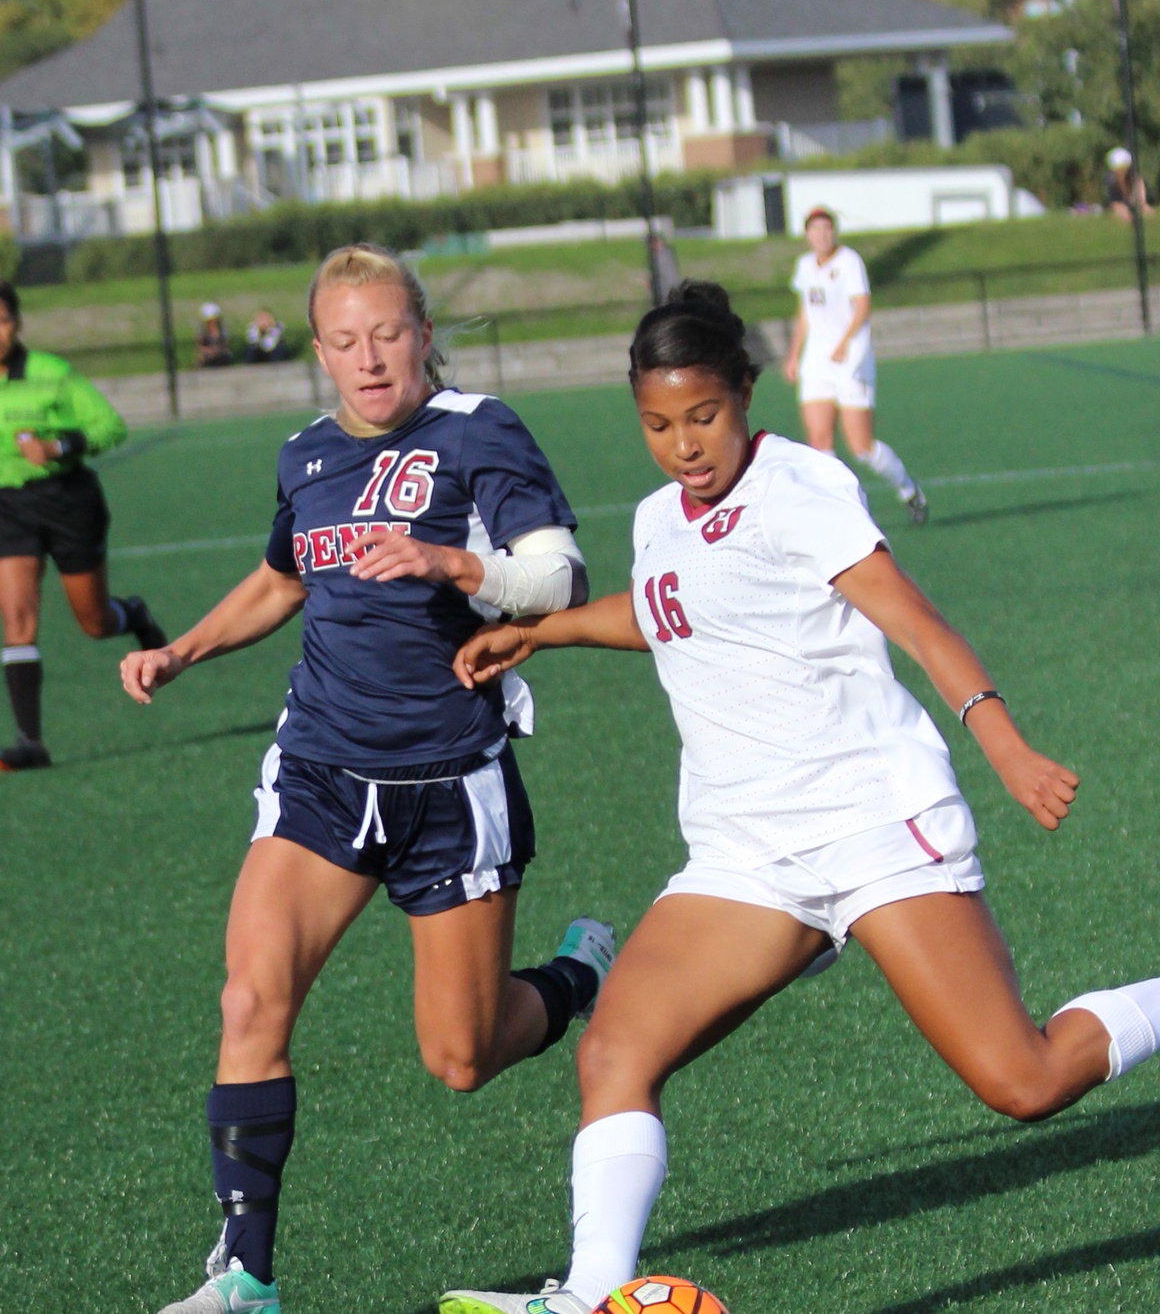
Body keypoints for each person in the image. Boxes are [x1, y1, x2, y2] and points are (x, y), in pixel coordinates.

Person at [438, 282, 1158, 1314]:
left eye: (702, 416)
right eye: (655, 423)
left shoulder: (798, 485)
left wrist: (1002, 743)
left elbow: (914, 622)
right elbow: (668, 612)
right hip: (744, 852)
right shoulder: (656, 519)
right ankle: (591, 1294)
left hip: (870, 822)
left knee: (1023, 1082)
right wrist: (539, 629)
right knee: (614, 1049)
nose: (683, 444)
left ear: (743, 390)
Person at [120, 244, 613, 1314]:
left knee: (462, 1056)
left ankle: (579, 978)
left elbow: (559, 574)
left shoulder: (478, 431)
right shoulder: (303, 455)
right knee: (249, 994)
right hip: (320, 772)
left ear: (423, 332)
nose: (368, 358)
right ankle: (245, 1275)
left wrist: (450, 564)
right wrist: (184, 651)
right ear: (318, 353)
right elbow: (279, 576)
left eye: (387, 333)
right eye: (344, 341)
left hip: (450, 783)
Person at [0, 274, 170, 772]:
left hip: (69, 501)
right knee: (17, 621)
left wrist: (57, 446)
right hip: (7, 507)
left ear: (17, 322)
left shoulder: (52, 372)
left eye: (3, 321)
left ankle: (132, 615)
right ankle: (31, 741)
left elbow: (110, 425)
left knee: (94, 623)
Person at [780, 207, 927, 525]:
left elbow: (862, 305)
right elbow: (805, 312)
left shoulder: (849, 262)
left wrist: (844, 342)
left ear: (835, 232)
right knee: (820, 443)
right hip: (816, 364)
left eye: (827, 229)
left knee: (861, 447)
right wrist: (793, 354)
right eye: (815, 229)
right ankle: (847, 512)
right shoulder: (804, 266)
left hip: (851, 363)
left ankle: (908, 488)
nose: (822, 235)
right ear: (807, 234)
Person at [1105, 145, 1151, 223]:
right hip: (1119, 201)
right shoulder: (1111, 180)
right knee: (1125, 214)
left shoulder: (1134, 176)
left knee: (1146, 210)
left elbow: (1139, 186)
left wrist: (1141, 201)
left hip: (1131, 198)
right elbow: (1115, 202)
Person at [195, 302, 234, 368]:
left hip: (221, 353)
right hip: (208, 355)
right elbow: (200, 345)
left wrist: (218, 350)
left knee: (224, 358)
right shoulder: (203, 329)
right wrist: (208, 351)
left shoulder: (222, 328)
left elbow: (226, 343)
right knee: (203, 361)